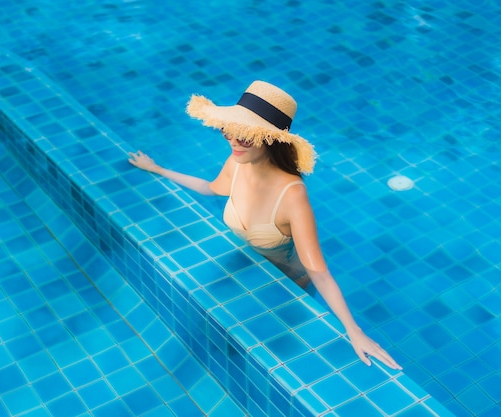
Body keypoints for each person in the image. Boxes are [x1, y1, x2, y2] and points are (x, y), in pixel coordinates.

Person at [128, 80, 402, 370]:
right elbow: (210, 187)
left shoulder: (292, 195)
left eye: (244, 136)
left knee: (270, 352)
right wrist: (157, 169)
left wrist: (354, 331)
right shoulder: (238, 163)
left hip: (287, 285)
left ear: (270, 138)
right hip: (248, 266)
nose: (233, 141)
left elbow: (319, 273)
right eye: (228, 131)